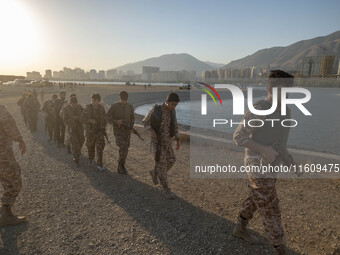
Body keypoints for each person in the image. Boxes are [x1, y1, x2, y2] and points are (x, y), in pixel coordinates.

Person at [233, 70, 295, 255]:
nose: (285, 94)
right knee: (270, 206)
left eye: (288, 90)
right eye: (281, 90)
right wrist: (264, 150)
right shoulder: (260, 109)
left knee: (256, 197)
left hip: (272, 164)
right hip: (256, 164)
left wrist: (288, 159)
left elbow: (279, 142)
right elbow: (238, 137)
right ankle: (280, 248)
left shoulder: (285, 111)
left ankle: (239, 228)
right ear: (269, 88)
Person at [142, 93, 180, 200]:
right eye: (172, 104)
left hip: (168, 142)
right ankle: (165, 188)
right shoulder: (156, 109)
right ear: (167, 101)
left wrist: (177, 140)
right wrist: (152, 131)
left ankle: (155, 172)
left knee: (172, 160)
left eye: (176, 105)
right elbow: (145, 121)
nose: (174, 107)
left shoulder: (173, 112)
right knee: (162, 163)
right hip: (157, 142)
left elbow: (175, 126)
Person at [0, 104, 27, 226]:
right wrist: (20, 139)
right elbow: (8, 124)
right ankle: (6, 214)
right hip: (2, 153)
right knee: (14, 179)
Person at [106, 91, 134, 174]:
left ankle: (121, 165)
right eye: (123, 99)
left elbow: (132, 118)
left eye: (125, 99)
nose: (124, 100)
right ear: (120, 97)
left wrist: (131, 126)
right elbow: (107, 116)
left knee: (126, 148)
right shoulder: (115, 106)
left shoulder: (130, 106)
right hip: (118, 131)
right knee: (123, 147)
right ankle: (121, 165)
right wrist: (116, 121)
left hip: (127, 131)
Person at [82, 93, 107, 171]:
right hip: (90, 132)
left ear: (98, 101)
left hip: (99, 132)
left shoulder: (101, 109)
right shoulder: (87, 108)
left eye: (95, 100)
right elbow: (82, 119)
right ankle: (90, 159)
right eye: (92, 100)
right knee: (90, 146)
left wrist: (103, 128)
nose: (93, 102)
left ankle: (99, 164)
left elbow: (105, 120)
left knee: (100, 148)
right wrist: (89, 120)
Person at [60, 97, 84, 166]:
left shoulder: (80, 107)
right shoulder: (65, 108)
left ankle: (69, 144)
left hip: (79, 127)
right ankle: (76, 157)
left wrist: (80, 118)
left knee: (82, 140)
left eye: (75, 104)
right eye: (72, 104)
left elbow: (84, 114)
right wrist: (72, 118)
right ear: (70, 103)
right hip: (71, 127)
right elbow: (64, 120)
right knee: (75, 142)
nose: (74, 105)